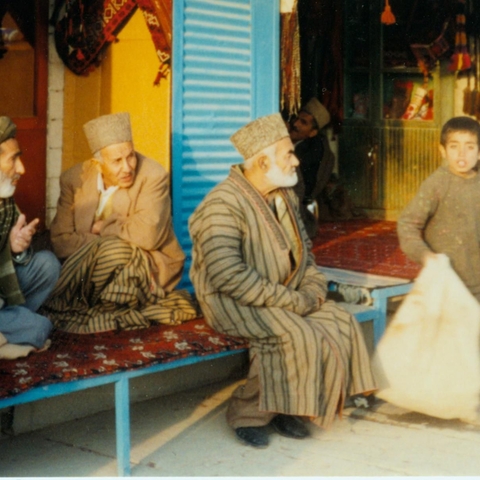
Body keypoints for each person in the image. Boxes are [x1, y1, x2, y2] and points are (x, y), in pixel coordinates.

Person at [189, 113, 376, 448]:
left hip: (282, 292)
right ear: (262, 162)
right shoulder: (222, 204)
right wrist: (294, 301)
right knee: (292, 330)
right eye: (288, 153)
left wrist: (314, 288)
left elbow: (306, 253)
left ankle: (291, 406)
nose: (296, 159)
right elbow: (227, 275)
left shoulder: (284, 196)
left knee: (338, 320)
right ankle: (249, 414)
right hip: (228, 299)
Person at [43, 112, 196, 333]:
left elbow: (148, 236)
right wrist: (104, 242)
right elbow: (61, 242)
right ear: (98, 163)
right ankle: (104, 309)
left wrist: (103, 227)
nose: (127, 167)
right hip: (86, 271)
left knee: (120, 252)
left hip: (148, 267)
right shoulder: (73, 179)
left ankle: (89, 307)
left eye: (131, 156)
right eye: (117, 161)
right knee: (112, 248)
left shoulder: (153, 175)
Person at [398, 116, 480, 302]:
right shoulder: (437, 184)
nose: (462, 154)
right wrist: (425, 255)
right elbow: (407, 224)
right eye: (454, 146)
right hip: (445, 283)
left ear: (479, 152)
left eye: (469, 147)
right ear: (442, 151)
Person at [0, 117, 61, 359]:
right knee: (39, 327)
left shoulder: (5, 203)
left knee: (47, 264)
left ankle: (11, 328)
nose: (22, 169)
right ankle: (14, 331)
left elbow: (8, 265)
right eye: (13, 160)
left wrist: (15, 248)